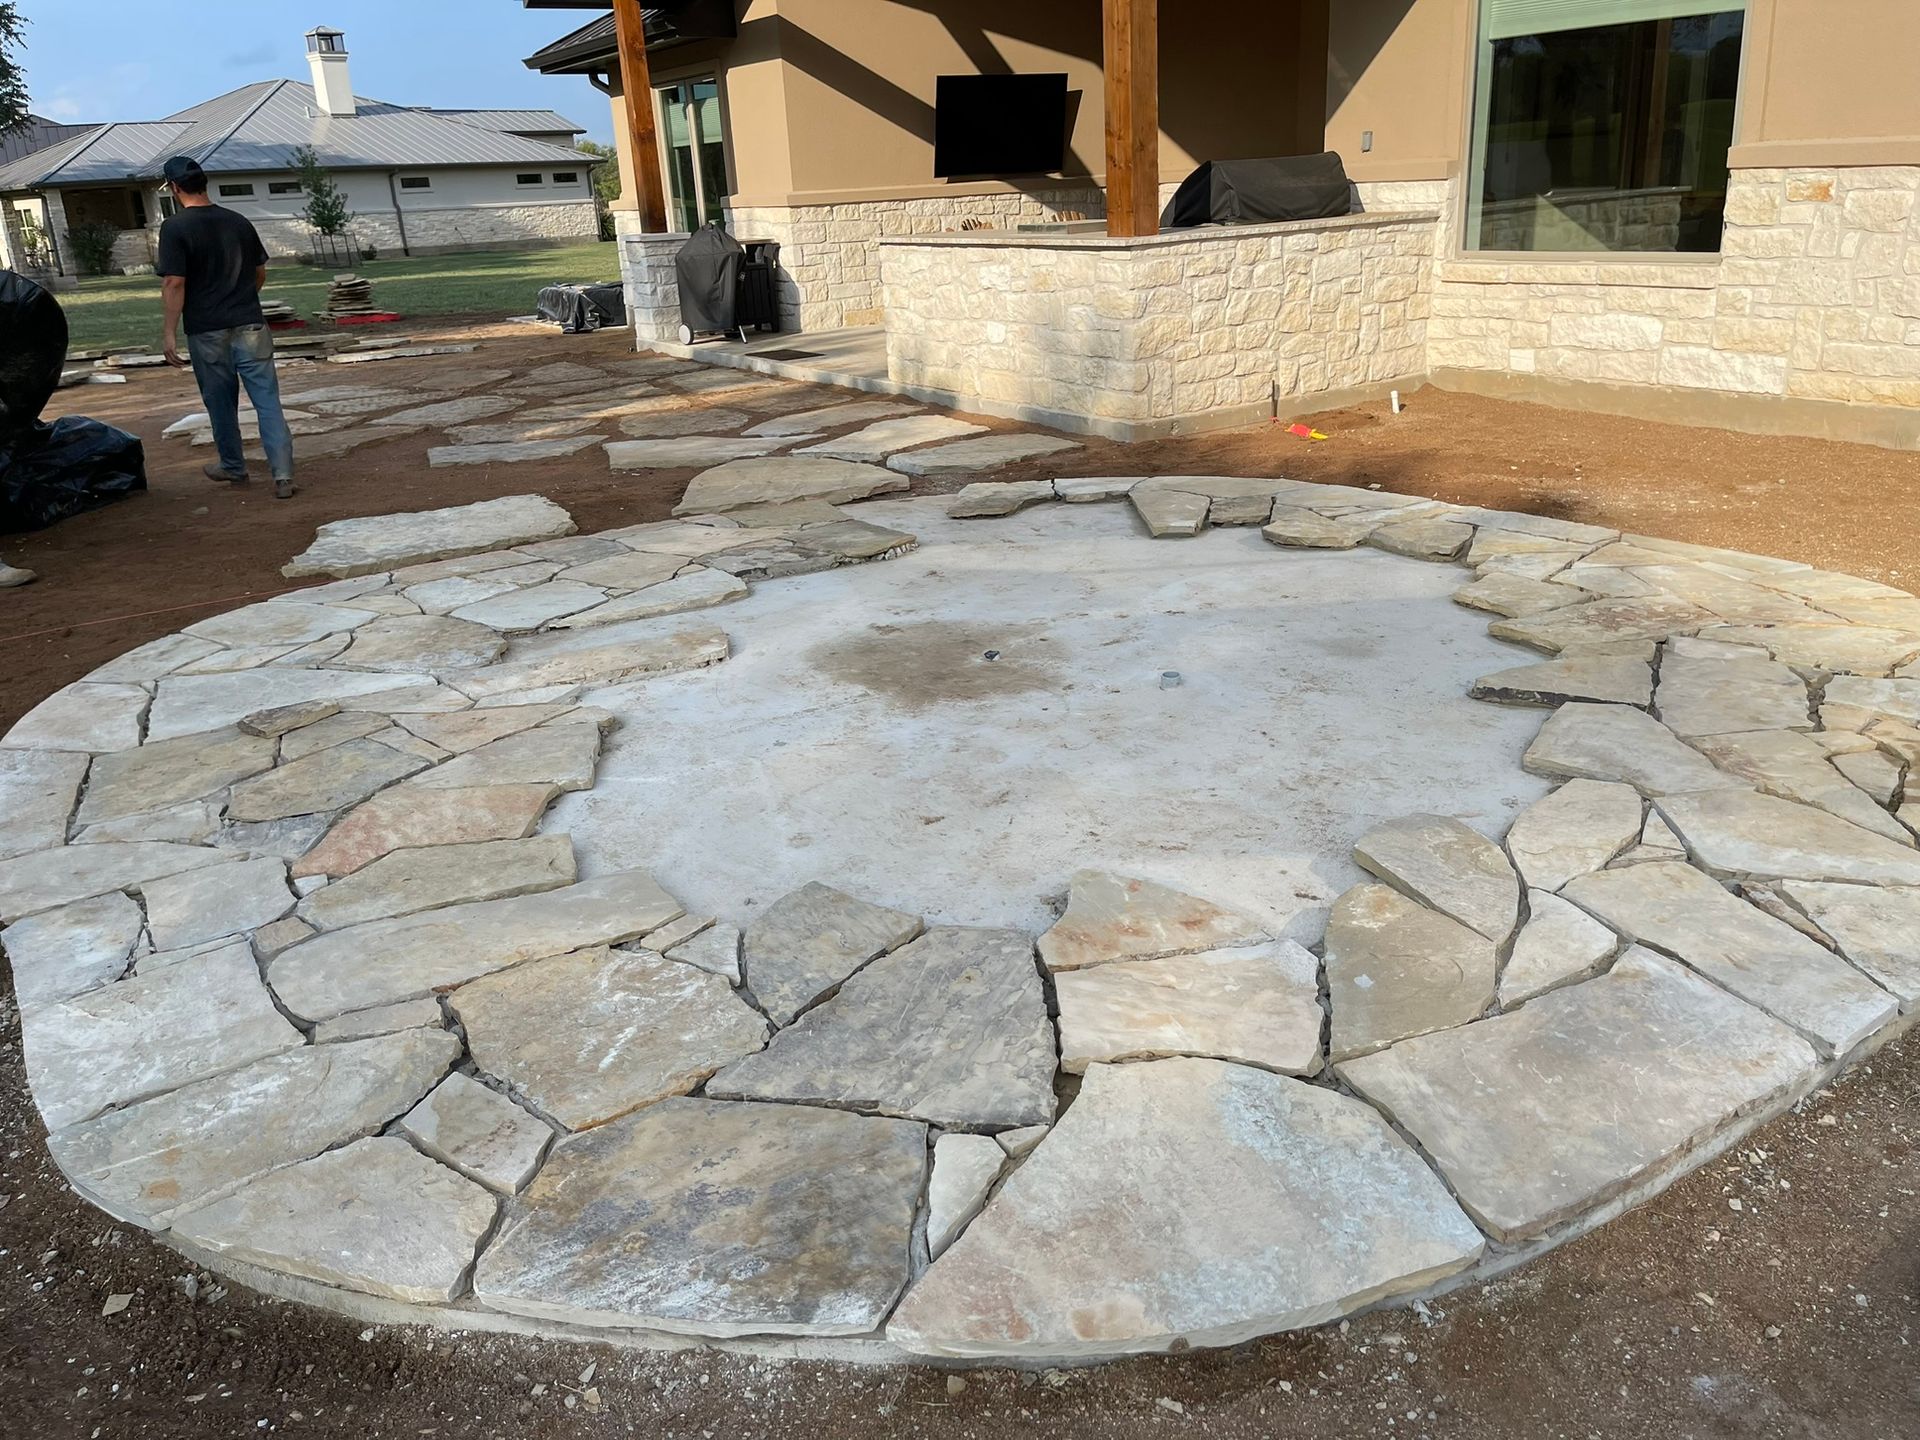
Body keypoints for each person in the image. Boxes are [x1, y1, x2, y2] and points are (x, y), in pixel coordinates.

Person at [156, 156, 297, 499]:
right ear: (205, 183)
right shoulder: (238, 221)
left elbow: (175, 282)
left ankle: (233, 466)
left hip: (207, 330)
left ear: (175, 188)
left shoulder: (175, 228)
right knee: (267, 401)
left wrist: (169, 332)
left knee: (220, 402)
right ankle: (283, 475)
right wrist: (243, 297)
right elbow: (259, 271)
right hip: (250, 324)